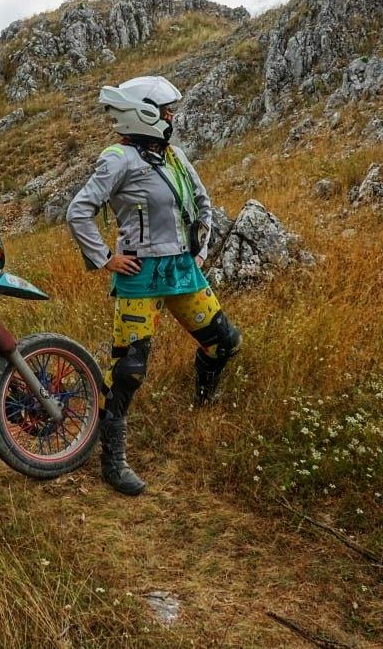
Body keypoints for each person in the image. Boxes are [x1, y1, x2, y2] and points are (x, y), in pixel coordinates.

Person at [66, 76, 242, 496]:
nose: (172, 117)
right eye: (166, 111)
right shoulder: (117, 159)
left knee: (224, 342)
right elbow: (78, 211)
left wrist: (200, 251)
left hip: (182, 270)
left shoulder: (174, 156)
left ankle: (203, 400)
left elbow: (203, 202)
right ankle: (113, 462)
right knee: (129, 371)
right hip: (140, 276)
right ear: (143, 114)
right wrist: (106, 258)